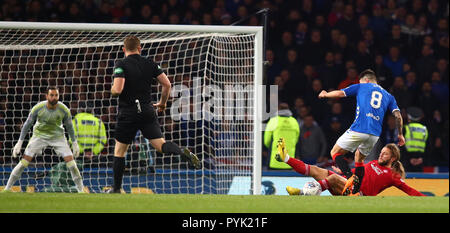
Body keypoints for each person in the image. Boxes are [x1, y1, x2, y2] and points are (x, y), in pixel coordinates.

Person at [107, 35, 200, 193]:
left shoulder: (121, 64)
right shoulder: (150, 63)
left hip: (129, 112)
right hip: (147, 111)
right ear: (140, 48)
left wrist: (112, 91)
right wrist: (163, 103)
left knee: (119, 151)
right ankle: (181, 152)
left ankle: (116, 188)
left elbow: (117, 90)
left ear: (124, 49)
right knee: (160, 146)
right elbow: (167, 84)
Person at [318, 69, 405, 195]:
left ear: (367, 80)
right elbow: (398, 116)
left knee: (335, 152)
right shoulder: (389, 96)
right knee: (359, 158)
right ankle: (356, 191)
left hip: (359, 128)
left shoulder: (362, 86)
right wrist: (400, 134)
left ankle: (350, 178)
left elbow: (341, 93)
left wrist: (326, 94)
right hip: (375, 134)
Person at [2, 87, 84, 193]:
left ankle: (81, 190)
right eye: (52, 95)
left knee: (72, 164)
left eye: (56, 95)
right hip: (39, 136)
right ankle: (7, 188)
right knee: (24, 163)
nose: (54, 98)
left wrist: (74, 143)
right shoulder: (38, 108)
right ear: (47, 96)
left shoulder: (64, 109)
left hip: (58, 137)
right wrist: (19, 142)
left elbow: (70, 127)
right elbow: (27, 125)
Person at [276, 138, 424, 196]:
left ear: (393, 158)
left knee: (333, 178)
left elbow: (408, 189)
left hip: (360, 196)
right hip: (350, 186)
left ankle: (303, 193)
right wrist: (344, 172)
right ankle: (286, 158)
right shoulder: (372, 163)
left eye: (384, 154)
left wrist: (425, 199)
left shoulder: (392, 175)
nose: (380, 155)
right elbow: (357, 174)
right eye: (381, 152)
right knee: (316, 170)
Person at [40, 112, 107, 193]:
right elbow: (103, 140)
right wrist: (93, 152)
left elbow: (71, 139)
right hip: (94, 157)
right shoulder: (99, 122)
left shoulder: (75, 121)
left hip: (78, 154)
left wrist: (80, 151)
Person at [264, 103, 300, 169]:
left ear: (278, 109)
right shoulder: (294, 121)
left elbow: (267, 140)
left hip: (275, 160)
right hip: (289, 161)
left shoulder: (273, 120)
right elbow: (296, 140)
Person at [402, 107, 428, 172]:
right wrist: (421, 159)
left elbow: (400, 146)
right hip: (420, 162)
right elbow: (429, 147)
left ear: (408, 117)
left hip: (407, 162)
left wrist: (409, 159)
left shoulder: (405, 128)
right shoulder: (424, 129)